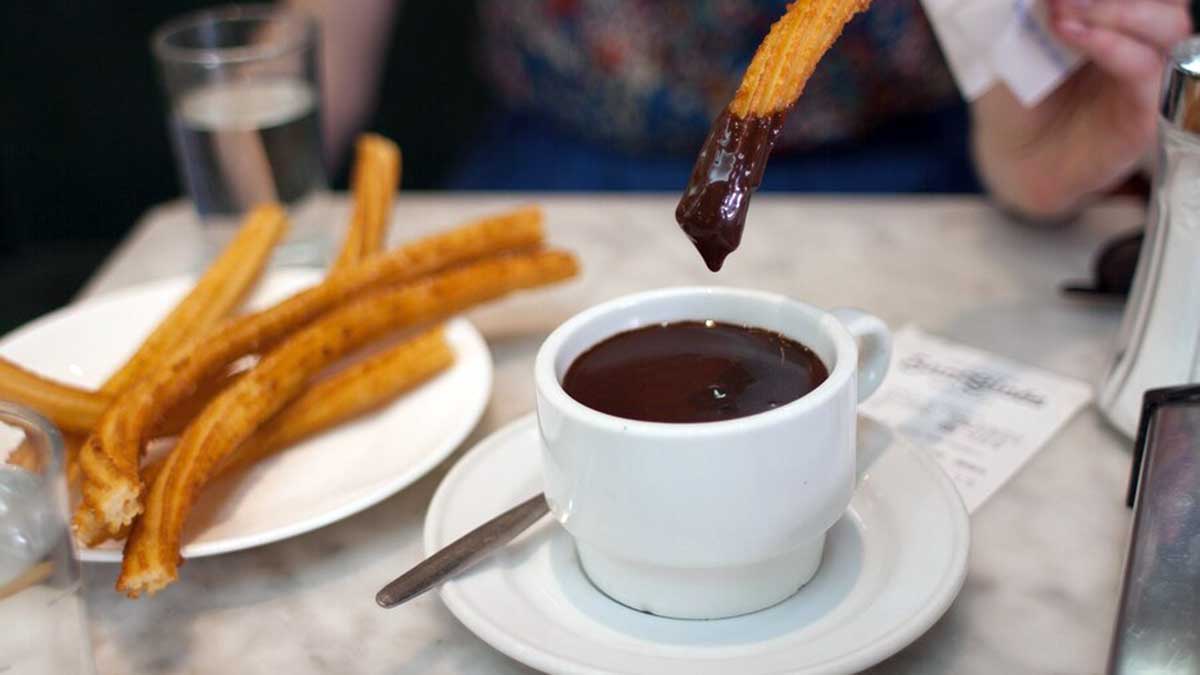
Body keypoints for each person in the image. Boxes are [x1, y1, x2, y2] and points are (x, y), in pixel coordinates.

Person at [304, 0, 1193, 221]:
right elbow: (313, 52)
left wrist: (1053, 150)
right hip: (565, 170)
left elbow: (1027, 133)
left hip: (908, 173)